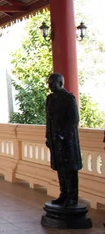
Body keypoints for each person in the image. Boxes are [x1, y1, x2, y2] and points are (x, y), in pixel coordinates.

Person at [45, 73, 82, 207]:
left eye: (52, 83)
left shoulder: (69, 98)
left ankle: (72, 198)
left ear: (60, 83)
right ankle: (64, 194)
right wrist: (48, 136)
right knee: (60, 168)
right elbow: (48, 121)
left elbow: (74, 120)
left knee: (70, 169)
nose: (49, 85)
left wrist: (63, 135)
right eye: (49, 83)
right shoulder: (50, 99)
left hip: (67, 141)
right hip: (55, 141)